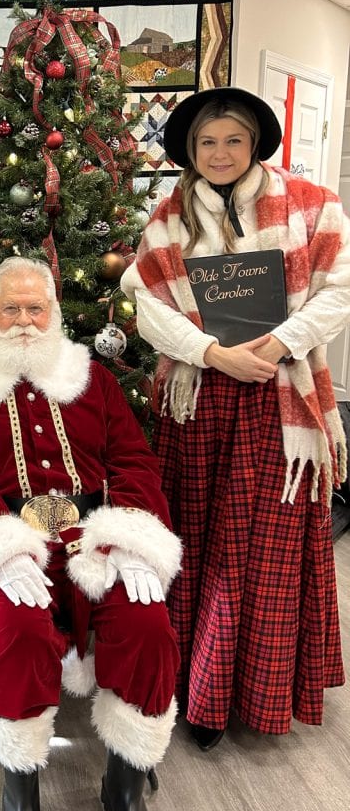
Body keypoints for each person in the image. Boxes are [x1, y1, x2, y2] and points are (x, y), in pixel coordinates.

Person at [0, 256, 181, 811]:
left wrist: (130, 537)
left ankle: (125, 789)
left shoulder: (90, 377)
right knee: (15, 628)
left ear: (54, 314)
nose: (22, 321)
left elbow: (132, 457)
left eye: (34, 308)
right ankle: (21, 795)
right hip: (11, 544)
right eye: (8, 309)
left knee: (149, 624)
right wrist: (1, 549)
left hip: (95, 538)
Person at [120, 86, 349, 752]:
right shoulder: (168, 217)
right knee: (198, 547)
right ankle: (200, 693)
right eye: (205, 143)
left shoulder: (312, 205)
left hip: (284, 398)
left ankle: (259, 690)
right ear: (190, 152)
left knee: (266, 552)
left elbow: (339, 290)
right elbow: (143, 303)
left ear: (253, 144)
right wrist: (210, 352)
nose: (218, 153)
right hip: (201, 401)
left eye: (231, 140)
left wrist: (277, 346)